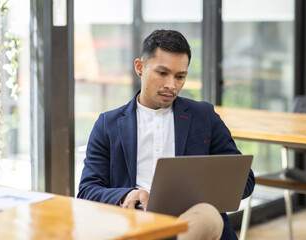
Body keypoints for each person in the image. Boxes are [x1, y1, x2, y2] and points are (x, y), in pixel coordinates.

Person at [77, 29, 255, 240]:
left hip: (190, 221)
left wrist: (200, 194)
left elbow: (244, 181)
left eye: (180, 77)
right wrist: (127, 195)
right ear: (140, 68)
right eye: (162, 73)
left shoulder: (204, 116)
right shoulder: (108, 125)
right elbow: (87, 191)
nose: (171, 85)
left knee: (208, 217)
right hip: (135, 221)